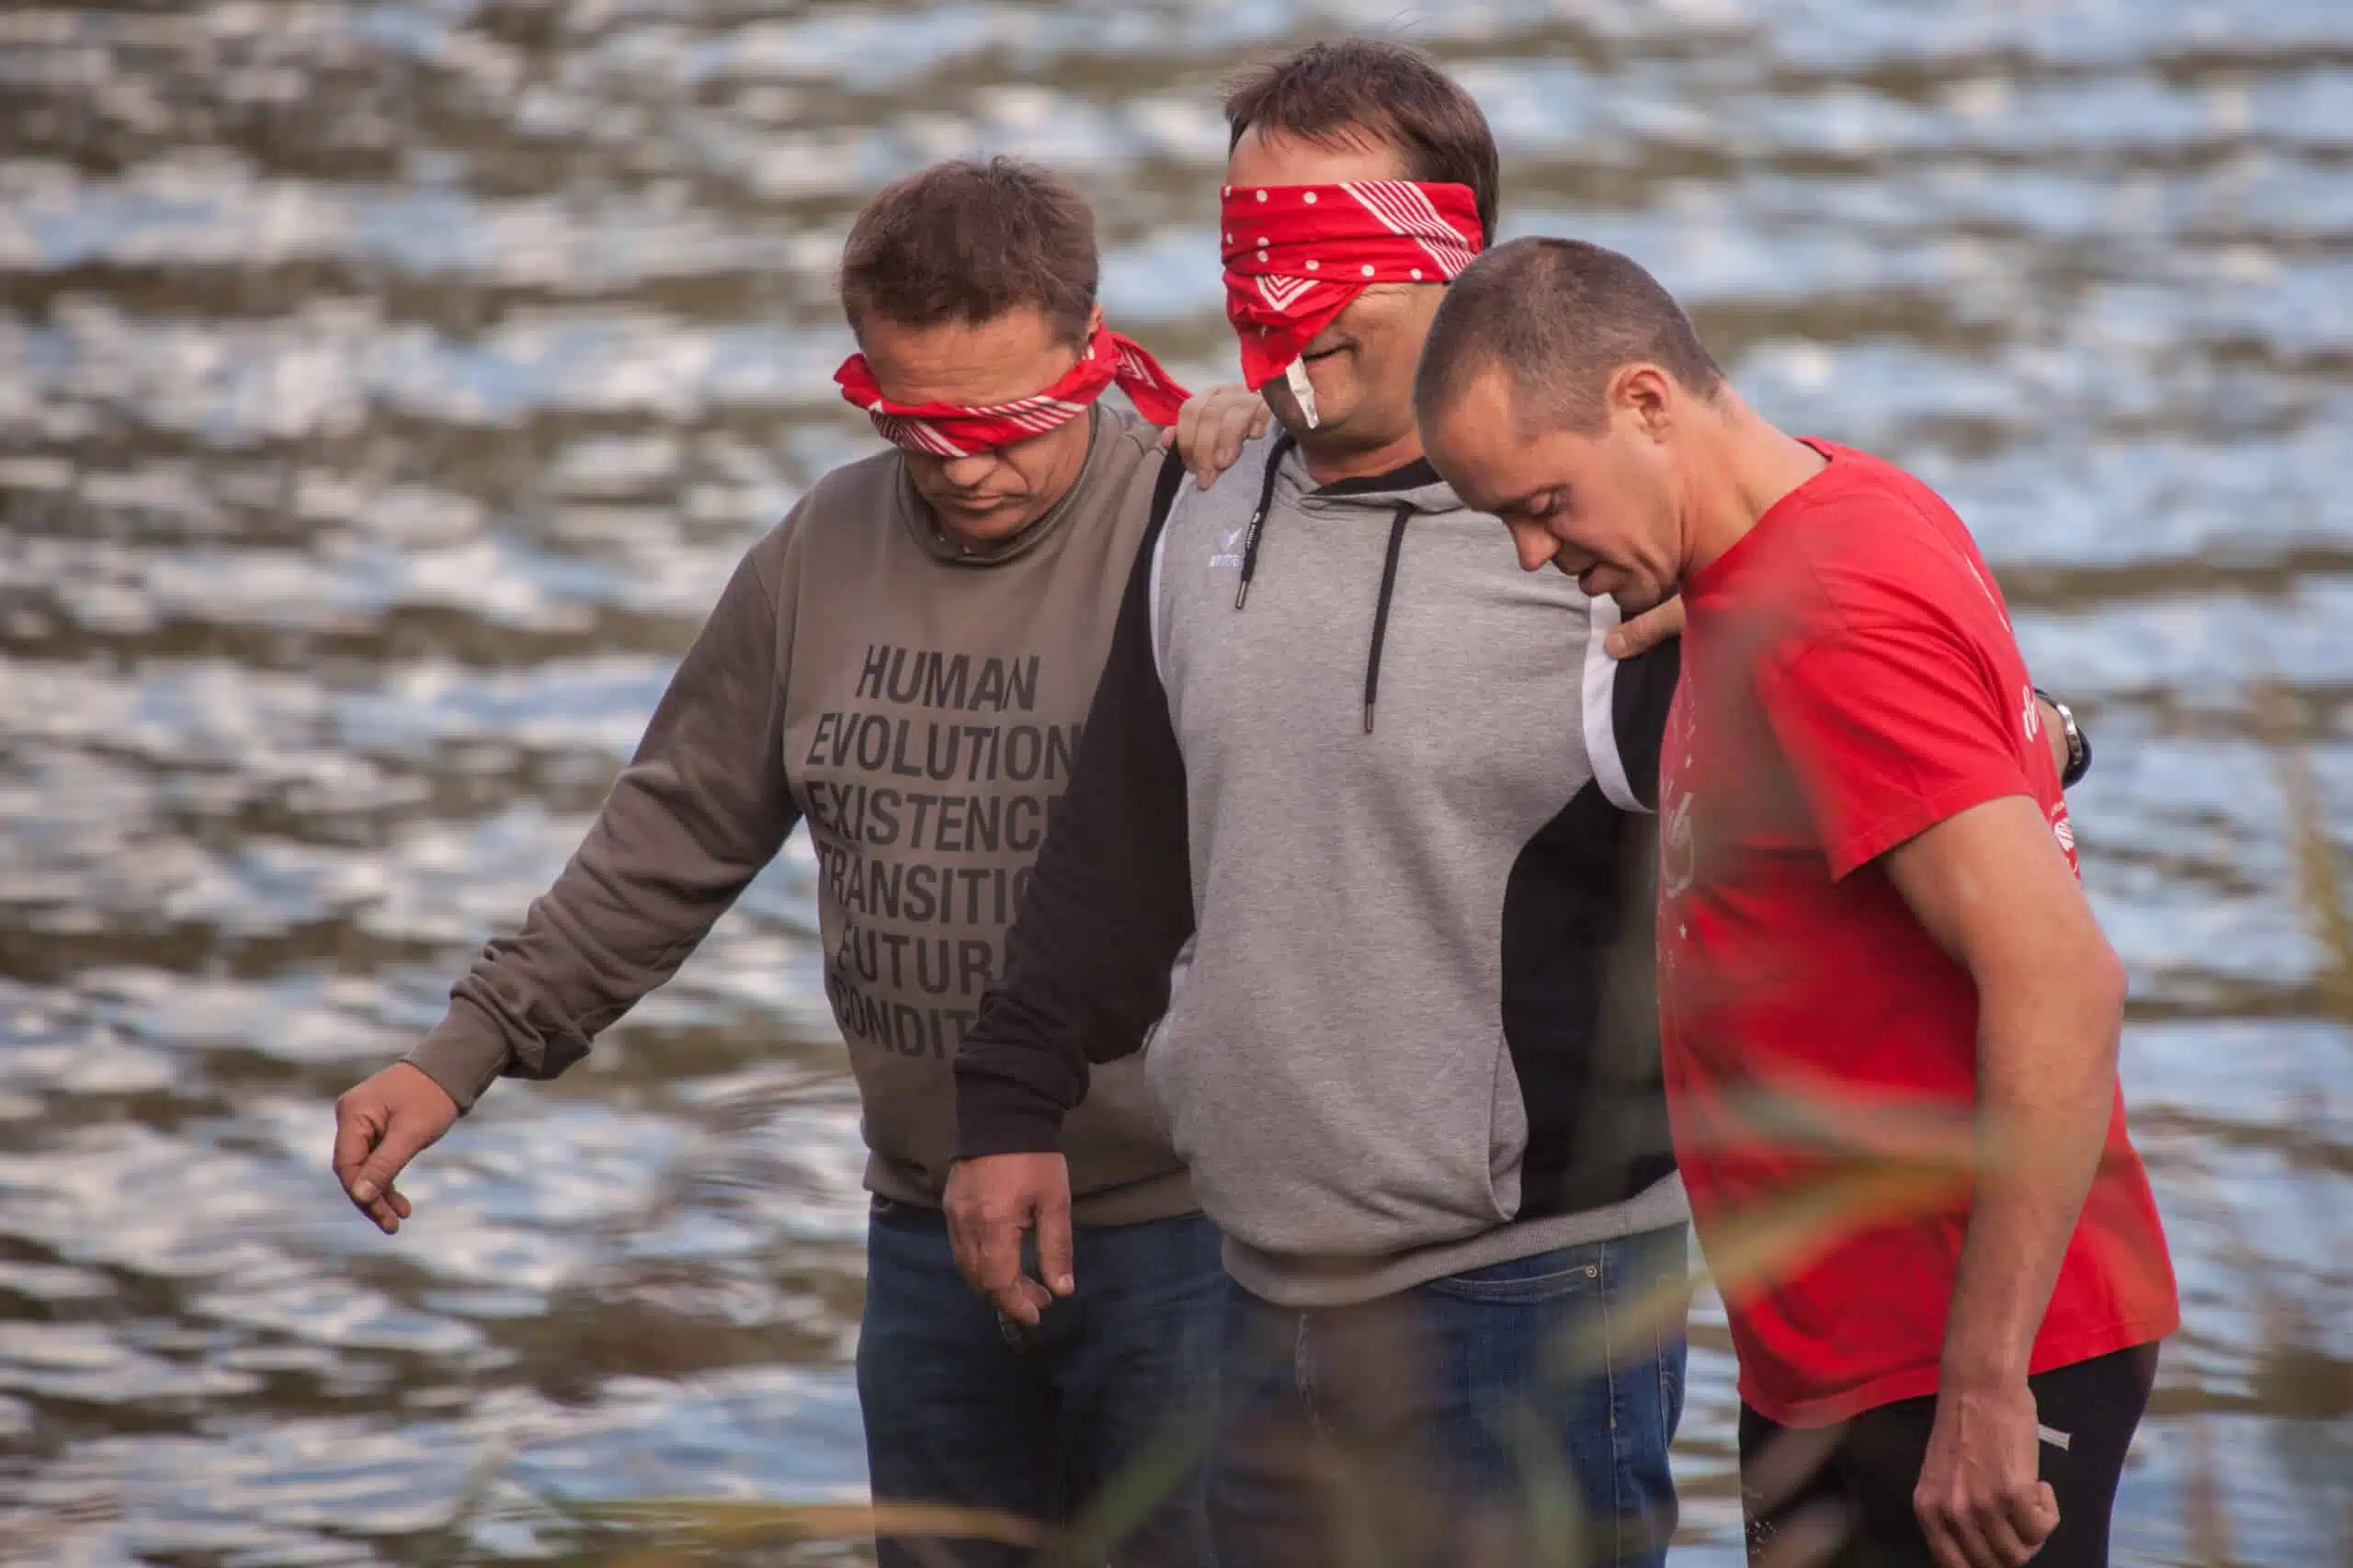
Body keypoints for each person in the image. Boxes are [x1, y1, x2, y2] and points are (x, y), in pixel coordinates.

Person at [328, 157, 1267, 1568]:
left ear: (1092, 350)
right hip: (929, 1235)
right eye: (913, 422)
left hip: (1181, 1242)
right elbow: (668, 837)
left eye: (999, 422)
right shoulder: (820, 553)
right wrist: (461, 1050)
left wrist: (1276, 433)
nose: (958, 464)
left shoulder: (1200, 525)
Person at [945, 41, 1699, 1568]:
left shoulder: (1608, 530)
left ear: (1458, 264)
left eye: (1323, 249)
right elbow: (1126, 832)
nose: (1274, 293)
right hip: (1252, 1290)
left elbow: (1880, 727)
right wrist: (1010, 1102)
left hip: (1529, 1299)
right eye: (1248, 246)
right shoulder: (1203, 497)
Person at [1411, 235, 2176, 1568]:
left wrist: (1985, 1383)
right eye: (1504, 520)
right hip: (1843, 1352)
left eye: (1546, 502)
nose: (1534, 553)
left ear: (1646, 402)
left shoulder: (1827, 611)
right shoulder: (1808, 519)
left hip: (1956, 1359)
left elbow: (2062, 982)